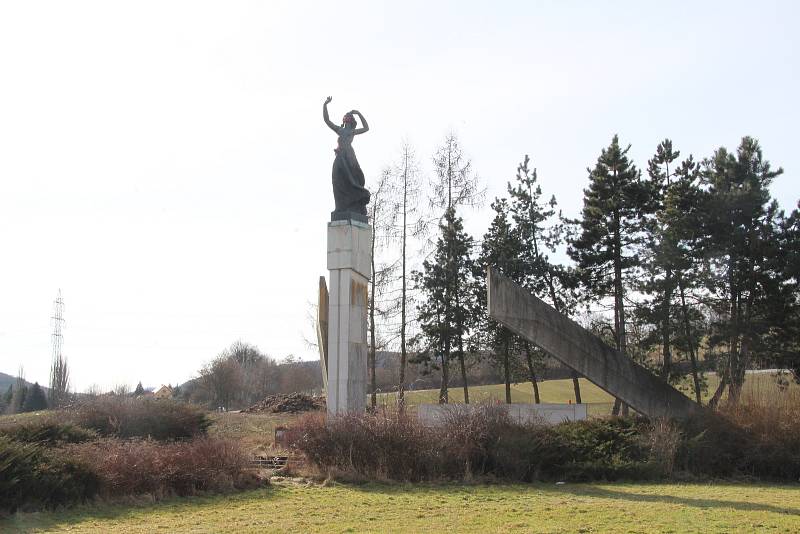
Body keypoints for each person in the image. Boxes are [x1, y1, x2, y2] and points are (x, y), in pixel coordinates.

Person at [322, 96, 370, 219]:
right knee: (336, 178)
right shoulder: (340, 130)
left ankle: (356, 201)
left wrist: (358, 113)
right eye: (346, 119)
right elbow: (327, 120)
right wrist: (325, 105)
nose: (347, 121)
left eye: (349, 119)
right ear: (344, 121)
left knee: (351, 180)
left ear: (351, 122)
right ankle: (340, 205)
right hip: (340, 155)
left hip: (349, 157)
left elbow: (366, 128)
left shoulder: (352, 132)